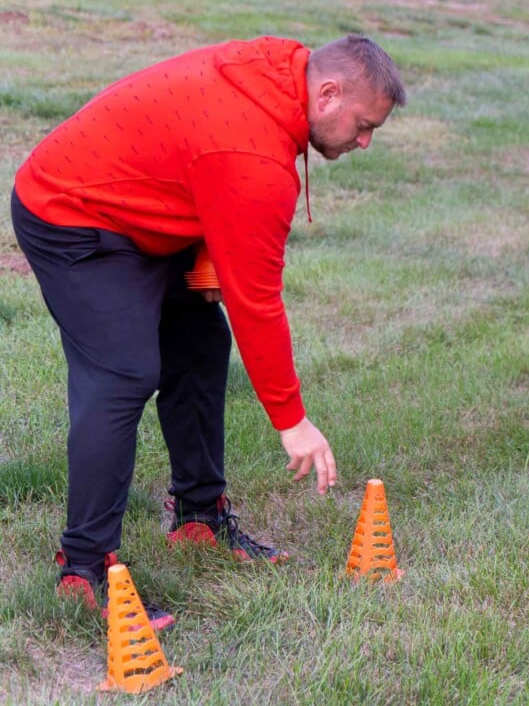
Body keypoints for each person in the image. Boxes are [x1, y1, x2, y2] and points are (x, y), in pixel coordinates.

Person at [11, 34, 406, 629]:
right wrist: (291, 420)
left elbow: (195, 140)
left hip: (139, 211)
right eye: (364, 124)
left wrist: (203, 247)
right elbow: (257, 303)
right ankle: (82, 571)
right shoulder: (257, 161)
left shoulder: (281, 68)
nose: (365, 141)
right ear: (326, 94)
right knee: (123, 371)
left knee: (199, 343)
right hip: (71, 211)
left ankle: (199, 520)